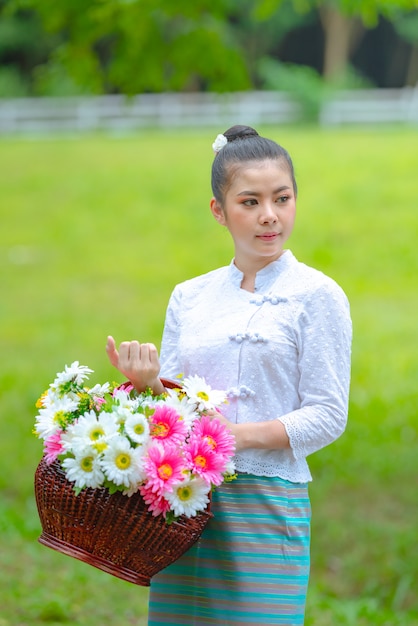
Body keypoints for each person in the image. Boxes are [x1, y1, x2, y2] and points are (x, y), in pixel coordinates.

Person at [106, 125, 352, 626]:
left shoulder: (318, 295)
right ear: (219, 211)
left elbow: (328, 414)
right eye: (250, 201)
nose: (269, 215)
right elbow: (170, 412)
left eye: (282, 199)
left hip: (266, 505)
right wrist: (148, 383)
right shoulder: (189, 296)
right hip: (184, 504)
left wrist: (231, 438)